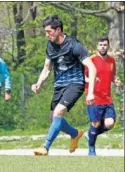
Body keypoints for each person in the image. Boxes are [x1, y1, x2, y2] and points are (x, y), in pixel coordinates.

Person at [31, 15, 96, 156]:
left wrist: (90, 92)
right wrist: (39, 83)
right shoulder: (50, 46)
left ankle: (45, 147)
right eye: (46, 32)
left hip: (75, 83)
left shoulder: (74, 45)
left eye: (49, 32)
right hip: (59, 85)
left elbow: (92, 67)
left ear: (58, 30)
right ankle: (75, 134)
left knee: (59, 112)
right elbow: (47, 69)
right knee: (53, 118)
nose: (46, 35)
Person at [84, 36, 121, 156]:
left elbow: (113, 75)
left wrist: (116, 80)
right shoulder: (91, 60)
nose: (103, 47)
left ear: (108, 46)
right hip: (94, 97)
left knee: (110, 123)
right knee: (96, 124)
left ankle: (90, 134)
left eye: (105, 45)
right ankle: (91, 149)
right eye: (100, 45)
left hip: (107, 98)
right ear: (97, 46)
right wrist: (91, 79)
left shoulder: (111, 60)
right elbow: (82, 76)